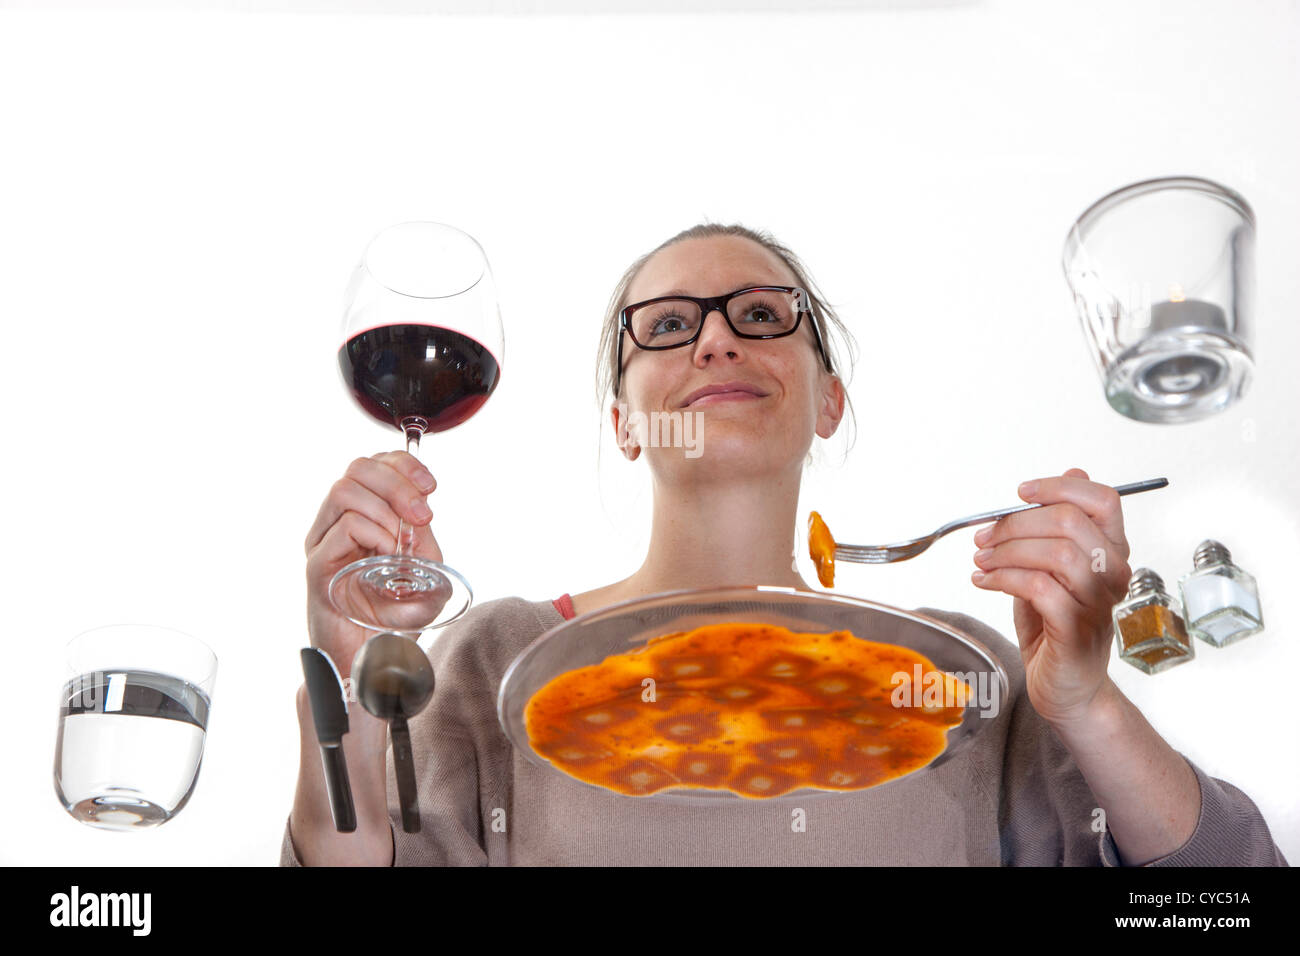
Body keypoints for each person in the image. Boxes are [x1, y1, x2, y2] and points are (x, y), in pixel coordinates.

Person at [282, 222, 1287, 866]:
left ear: (827, 400)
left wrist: (1084, 699)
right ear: (626, 423)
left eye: (762, 316)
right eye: (667, 325)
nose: (716, 341)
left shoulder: (960, 668)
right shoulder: (496, 655)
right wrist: (344, 663)